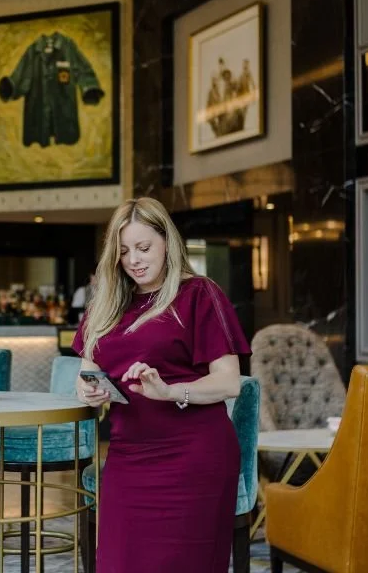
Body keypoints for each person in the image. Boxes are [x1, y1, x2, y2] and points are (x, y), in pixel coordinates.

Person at [73, 197, 250, 572]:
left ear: (167, 241)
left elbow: (229, 382)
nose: (134, 260)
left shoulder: (199, 294)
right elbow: (87, 369)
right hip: (128, 455)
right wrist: (88, 390)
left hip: (193, 457)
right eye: (124, 252)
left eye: (143, 247)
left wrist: (170, 391)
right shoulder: (106, 303)